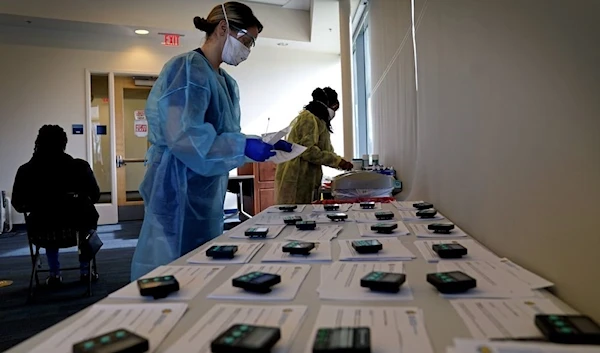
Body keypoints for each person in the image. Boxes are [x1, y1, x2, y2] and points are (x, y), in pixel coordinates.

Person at [130, 2, 292, 280]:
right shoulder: (187, 69)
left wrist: (261, 144)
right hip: (176, 186)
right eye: (247, 40)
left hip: (206, 191)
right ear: (223, 27)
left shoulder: (227, 84)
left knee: (202, 268)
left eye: (252, 44)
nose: (248, 50)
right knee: (168, 272)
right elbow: (184, 138)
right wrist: (243, 147)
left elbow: (221, 136)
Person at [12, 125, 100, 286]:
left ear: (38, 143)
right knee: (86, 218)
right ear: (64, 144)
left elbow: (18, 204)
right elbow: (95, 196)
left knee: (46, 224)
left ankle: (54, 273)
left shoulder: (25, 171)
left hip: (42, 232)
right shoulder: (80, 167)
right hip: (76, 230)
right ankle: (85, 270)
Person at [275, 87, 354, 204]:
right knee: (296, 214)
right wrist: (338, 162)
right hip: (297, 177)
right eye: (334, 108)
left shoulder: (319, 122)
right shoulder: (308, 119)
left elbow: (326, 150)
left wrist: (340, 162)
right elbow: (308, 152)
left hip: (307, 178)